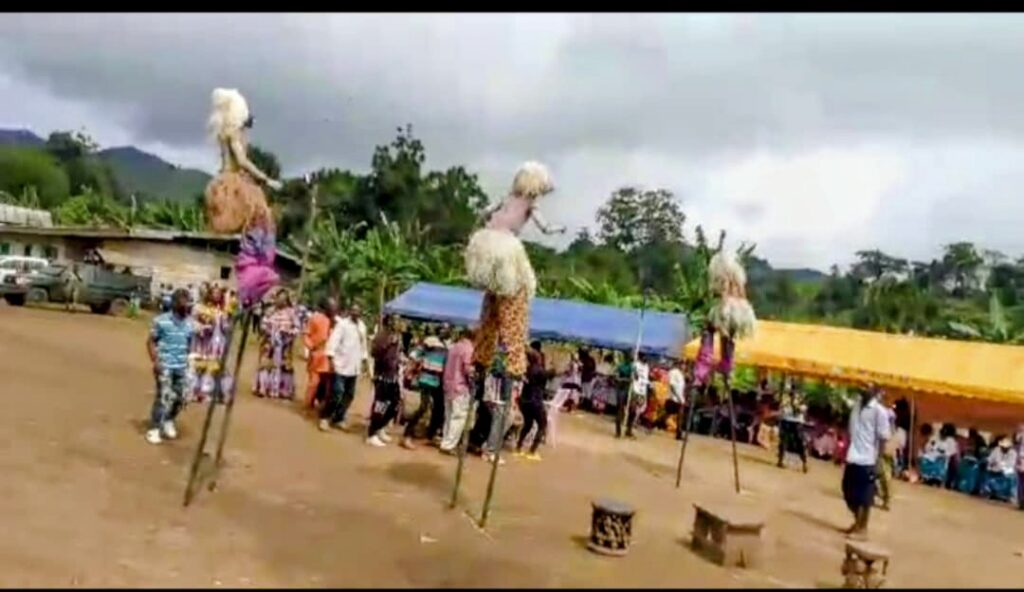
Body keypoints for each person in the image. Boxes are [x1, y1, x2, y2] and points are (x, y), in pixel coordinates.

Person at [465, 162, 565, 383]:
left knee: (492, 304)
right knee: (517, 297)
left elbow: (484, 212)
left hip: (485, 246)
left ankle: (482, 357)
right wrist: (559, 229)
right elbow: (545, 228)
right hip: (504, 249)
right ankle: (515, 363)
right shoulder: (530, 204)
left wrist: (476, 230)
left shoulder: (507, 198)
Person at [203, 88, 283, 306]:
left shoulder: (228, 133)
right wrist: (267, 179)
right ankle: (253, 277)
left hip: (231, 180)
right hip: (237, 183)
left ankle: (255, 275)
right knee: (261, 223)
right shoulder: (233, 135)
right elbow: (242, 160)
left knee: (260, 225)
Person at [144, 289, 195, 445]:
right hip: (165, 365)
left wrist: (189, 363)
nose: (186, 307)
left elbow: (189, 344)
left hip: (181, 366)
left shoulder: (189, 324)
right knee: (164, 397)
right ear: (174, 304)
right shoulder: (161, 321)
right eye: (183, 303)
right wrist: (156, 361)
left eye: (188, 303)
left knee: (181, 398)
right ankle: (154, 428)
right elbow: (150, 342)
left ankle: (168, 420)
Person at [842, 387, 891, 540]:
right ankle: (858, 522)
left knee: (865, 496)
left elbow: (883, 437)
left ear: (874, 390)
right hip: (853, 455)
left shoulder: (879, 411)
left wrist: (879, 460)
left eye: (868, 385)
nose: (863, 387)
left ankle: (863, 529)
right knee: (848, 491)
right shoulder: (857, 405)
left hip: (868, 459)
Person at [320, 303, 368, 431]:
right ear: (349, 311)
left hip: (354, 367)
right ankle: (325, 417)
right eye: (353, 310)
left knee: (349, 395)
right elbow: (333, 342)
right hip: (340, 365)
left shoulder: (362, 327)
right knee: (337, 393)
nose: (355, 312)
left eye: (358, 310)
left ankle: (338, 418)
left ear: (361, 312)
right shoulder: (342, 325)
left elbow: (363, 346)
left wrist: (364, 362)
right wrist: (330, 360)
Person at [402, 334, 447, 450]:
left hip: (436, 381)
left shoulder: (445, 345)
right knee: (423, 407)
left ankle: (431, 434)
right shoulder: (430, 341)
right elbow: (414, 355)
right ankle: (407, 434)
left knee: (440, 408)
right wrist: (412, 369)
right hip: (426, 379)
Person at [254, 289, 300, 400]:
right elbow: (263, 324)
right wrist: (268, 331)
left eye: (284, 299)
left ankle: (281, 390)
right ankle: (263, 388)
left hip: (285, 344)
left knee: (283, 366)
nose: (281, 301)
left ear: (287, 300)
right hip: (269, 343)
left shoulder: (291, 313)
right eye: (279, 298)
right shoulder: (270, 311)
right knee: (266, 364)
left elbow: (297, 327)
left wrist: (288, 333)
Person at [189, 285, 231, 404]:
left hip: (217, 343)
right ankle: (194, 391)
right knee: (198, 365)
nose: (216, 295)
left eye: (219, 293)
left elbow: (225, 327)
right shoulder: (199, 307)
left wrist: (227, 321)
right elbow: (191, 322)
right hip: (201, 342)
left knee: (215, 367)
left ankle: (209, 392)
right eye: (214, 292)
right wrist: (201, 328)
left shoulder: (221, 311)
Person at [366, 315, 402, 447]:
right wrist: (388, 344)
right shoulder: (382, 335)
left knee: (395, 405)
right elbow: (375, 353)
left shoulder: (397, 336)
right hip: (382, 376)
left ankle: (380, 427)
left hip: (393, 377)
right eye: (396, 321)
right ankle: (371, 434)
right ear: (390, 322)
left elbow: (395, 356)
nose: (399, 323)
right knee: (380, 406)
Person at [439, 327, 476, 454]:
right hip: (460, 386)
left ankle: (445, 442)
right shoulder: (469, 349)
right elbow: (468, 370)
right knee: (458, 417)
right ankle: (449, 445)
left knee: (449, 416)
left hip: (448, 384)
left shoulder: (453, 347)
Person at [303, 296, 338, 409]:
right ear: (326, 306)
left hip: (330, 358)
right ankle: (307, 404)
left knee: (327, 385)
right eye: (332, 306)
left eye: (335, 307)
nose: (333, 309)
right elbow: (306, 334)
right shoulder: (315, 318)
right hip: (317, 356)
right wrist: (311, 347)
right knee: (314, 382)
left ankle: (322, 405)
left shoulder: (336, 323)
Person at [515, 347, 549, 460]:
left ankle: (518, 447)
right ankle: (532, 451)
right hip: (536, 401)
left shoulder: (526, 369)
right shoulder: (541, 370)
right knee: (542, 425)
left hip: (525, 401)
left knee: (528, 424)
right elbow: (544, 385)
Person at [980, 436, 1018, 502]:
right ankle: (989, 491)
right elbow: (990, 459)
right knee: (986, 469)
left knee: (1012, 475)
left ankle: (1008, 495)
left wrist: (999, 465)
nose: (1003, 448)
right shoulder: (996, 449)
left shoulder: (1013, 453)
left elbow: (1010, 465)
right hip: (994, 469)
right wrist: (987, 461)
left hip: (1005, 470)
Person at [665, 359, 686, 440]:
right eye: (683, 364)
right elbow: (672, 385)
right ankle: (678, 432)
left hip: (679, 398)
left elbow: (681, 387)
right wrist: (678, 397)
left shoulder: (681, 374)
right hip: (673, 397)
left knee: (680, 415)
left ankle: (679, 433)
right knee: (669, 414)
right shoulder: (674, 372)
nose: (684, 366)